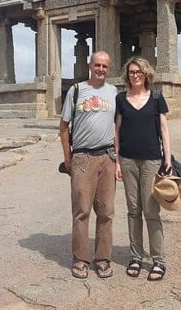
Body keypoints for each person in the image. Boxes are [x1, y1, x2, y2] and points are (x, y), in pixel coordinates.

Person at [59, 51, 118, 279]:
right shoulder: (76, 91)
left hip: (108, 157)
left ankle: (102, 258)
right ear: (89, 66)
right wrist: (68, 158)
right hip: (82, 158)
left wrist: (118, 158)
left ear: (108, 68)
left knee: (106, 212)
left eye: (104, 66)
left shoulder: (114, 93)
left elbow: (118, 126)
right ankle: (80, 259)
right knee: (81, 211)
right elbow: (64, 127)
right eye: (97, 65)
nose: (100, 69)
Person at [114, 56, 172, 281]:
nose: (135, 75)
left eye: (138, 72)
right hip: (127, 160)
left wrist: (167, 159)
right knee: (133, 209)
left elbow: (164, 129)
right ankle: (136, 256)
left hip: (151, 160)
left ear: (146, 74)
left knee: (151, 211)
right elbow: (117, 130)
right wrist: (117, 161)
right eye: (131, 72)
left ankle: (158, 259)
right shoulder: (121, 99)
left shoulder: (156, 97)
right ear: (127, 75)